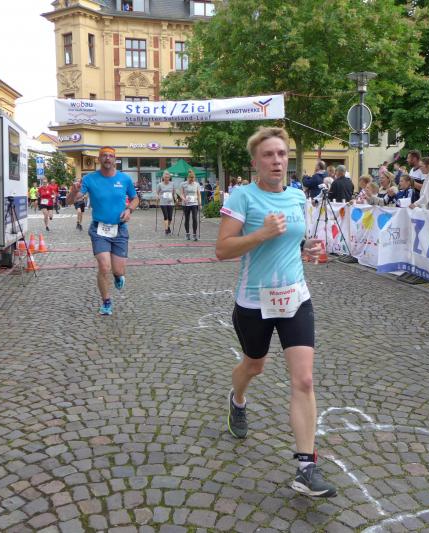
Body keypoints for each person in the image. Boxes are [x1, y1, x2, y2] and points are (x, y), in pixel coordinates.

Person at [216, 126, 335, 498]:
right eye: (268, 155)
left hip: (295, 297)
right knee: (254, 365)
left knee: (304, 380)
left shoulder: (297, 196)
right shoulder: (243, 197)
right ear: (256, 162)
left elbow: (295, 241)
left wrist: (307, 248)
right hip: (254, 301)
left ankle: (306, 467)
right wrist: (261, 234)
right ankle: (237, 400)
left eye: (281, 154)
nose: (277, 160)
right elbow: (222, 250)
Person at [66, 146, 138, 316]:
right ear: (99, 159)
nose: (107, 158)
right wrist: (73, 191)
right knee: (104, 267)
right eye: (104, 155)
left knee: (118, 270)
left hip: (119, 229)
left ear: (115, 159)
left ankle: (118, 276)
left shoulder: (125, 179)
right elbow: (70, 201)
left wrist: (129, 210)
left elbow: (135, 198)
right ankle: (106, 302)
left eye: (110, 156)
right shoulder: (90, 179)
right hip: (99, 229)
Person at [180, 169, 202, 241]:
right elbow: (181, 194)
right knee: (187, 219)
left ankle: (194, 234)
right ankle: (187, 234)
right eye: (190, 179)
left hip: (194, 203)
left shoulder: (197, 184)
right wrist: (184, 199)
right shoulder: (183, 184)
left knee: (195, 219)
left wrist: (200, 203)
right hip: (186, 204)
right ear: (188, 178)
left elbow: (199, 194)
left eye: (193, 179)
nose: (191, 181)